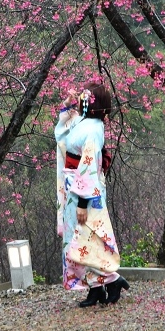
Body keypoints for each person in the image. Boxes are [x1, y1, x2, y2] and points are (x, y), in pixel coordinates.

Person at [55, 81, 129, 307]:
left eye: (86, 98)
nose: (82, 101)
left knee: (88, 240)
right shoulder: (84, 122)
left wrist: (83, 203)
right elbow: (62, 133)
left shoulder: (94, 128)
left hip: (85, 192)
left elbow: (87, 168)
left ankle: (112, 279)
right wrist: (67, 106)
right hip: (73, 187)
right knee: (78, 240)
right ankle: (95, 289)